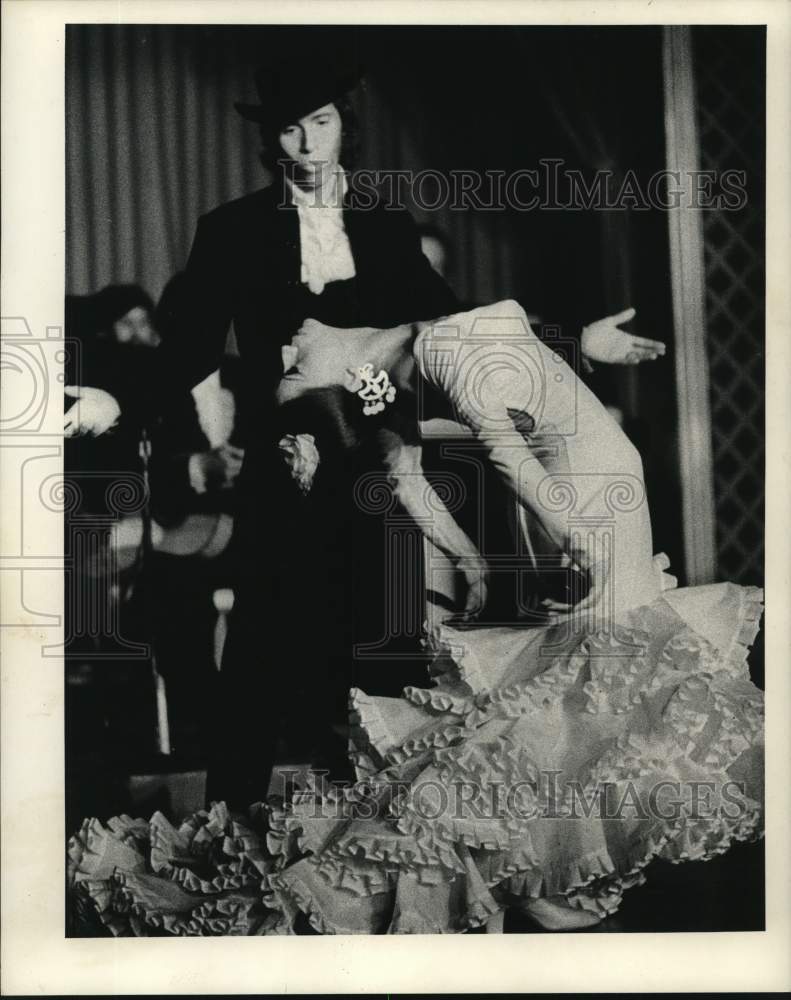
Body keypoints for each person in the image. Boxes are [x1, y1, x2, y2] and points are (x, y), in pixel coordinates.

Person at [68, 300, 763, 935]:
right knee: (562, 683)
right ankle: (526, 871)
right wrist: (473, 563)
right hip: (564, 492)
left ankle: (537, 864)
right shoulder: (381, 378)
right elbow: (403, 471)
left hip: (584, 485)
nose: (285, 357)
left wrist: (579, 538)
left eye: (287, 351)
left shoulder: (445, 345)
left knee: (602, 677)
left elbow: (505, 454)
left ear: (316, 325)